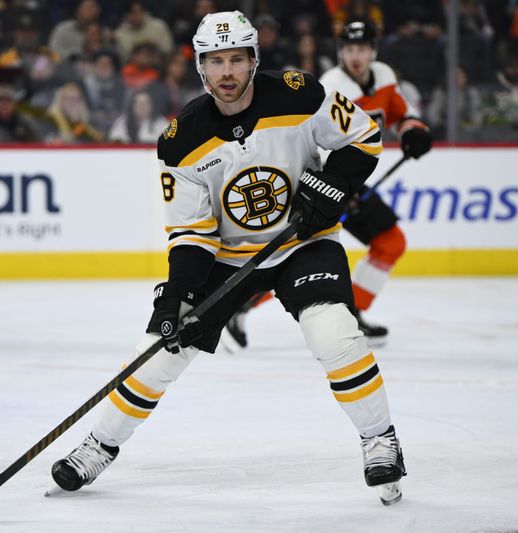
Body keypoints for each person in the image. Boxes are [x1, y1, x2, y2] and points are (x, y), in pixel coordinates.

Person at [51, 10, 406, 506]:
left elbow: (363, 136)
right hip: (226, 258)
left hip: (304, 243)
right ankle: (98, 445)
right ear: (200, 67)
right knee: (158, 351)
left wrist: (331, 186)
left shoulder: (301, 93)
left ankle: (379, 439)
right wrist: (179, 295)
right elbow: (191, 233)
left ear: (254, 60)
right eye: (215, 61)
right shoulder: (181, 141)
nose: (227, 73)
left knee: (334, 332)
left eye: (237, 59)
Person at [224, 19, 432, 350]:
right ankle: (239, 306)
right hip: (317, 183)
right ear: (340, 52)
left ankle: (354, 312)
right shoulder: (333, 86)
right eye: (349, 49)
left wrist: (413, 132)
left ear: (373, 52)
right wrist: (330, 185)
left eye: (362, 49)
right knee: (291, 254)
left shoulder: (386, 79)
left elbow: (401, 115)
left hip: (350, 184)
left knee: (390, 242)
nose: (356, 55)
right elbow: (311, 141)